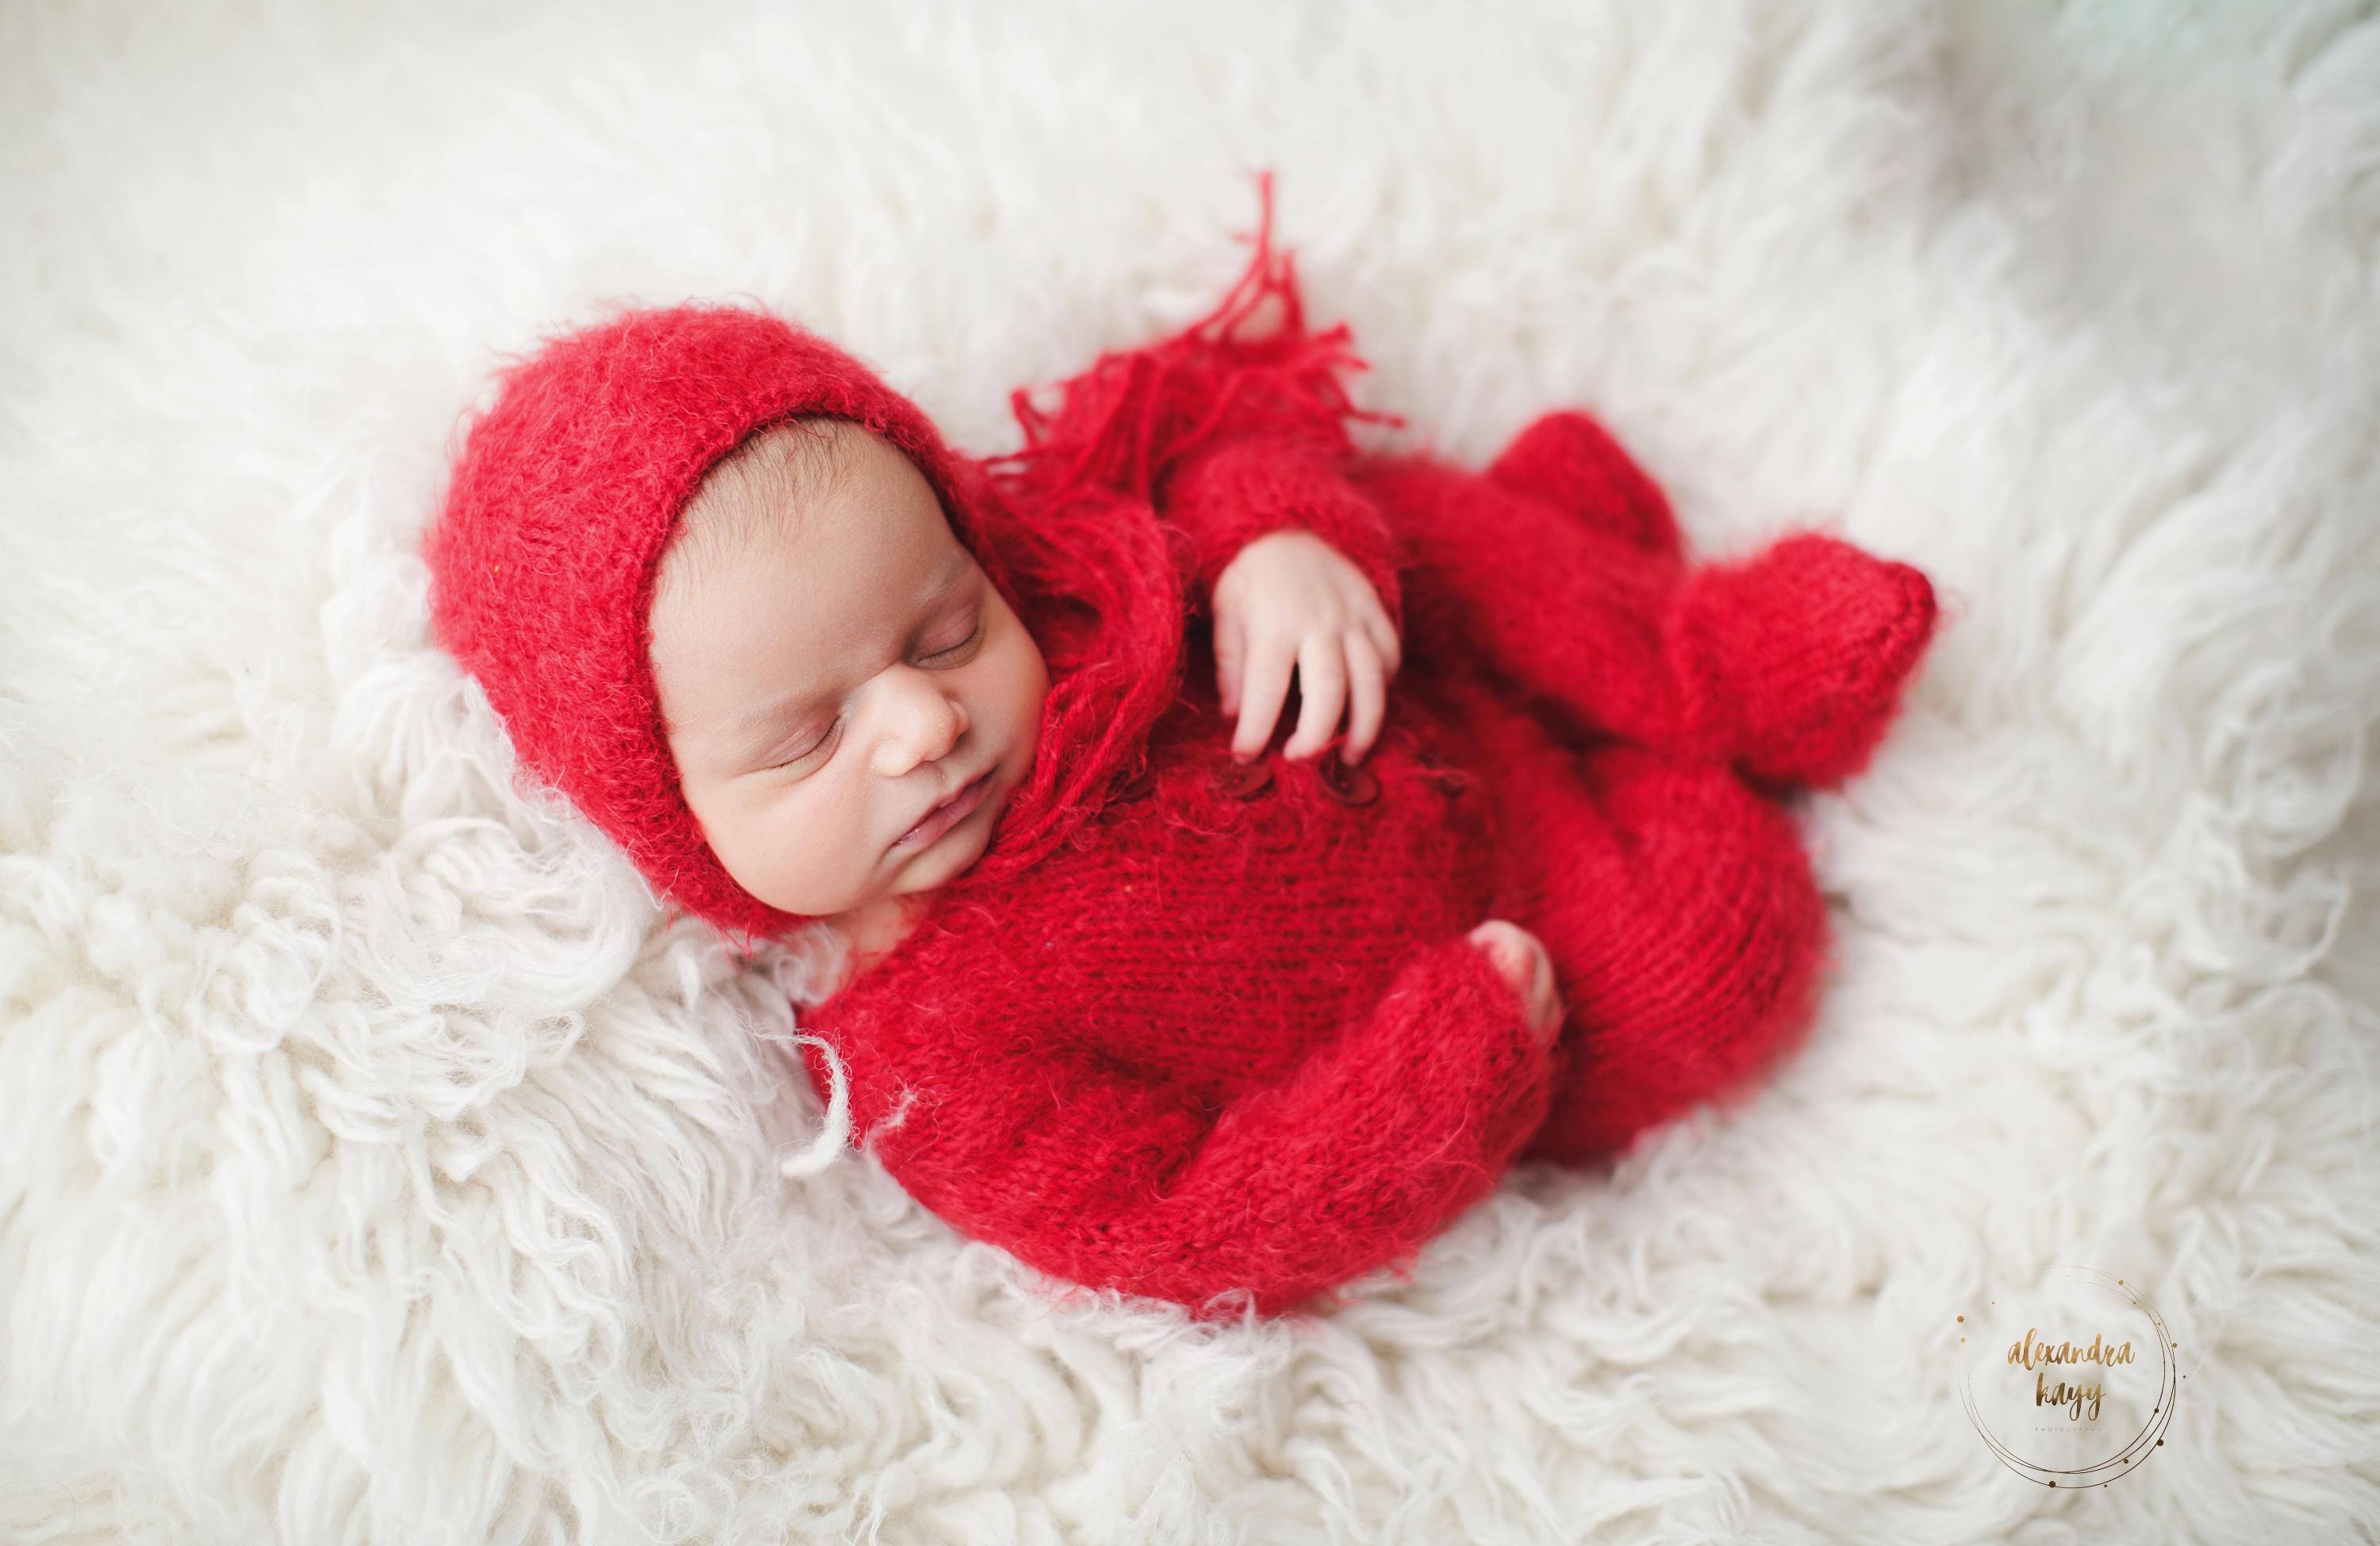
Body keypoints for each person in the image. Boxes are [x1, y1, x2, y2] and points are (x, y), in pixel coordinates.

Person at [427, 236, 1936, 1315]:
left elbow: (1221, 427)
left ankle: (1714, 654)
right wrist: (1443, 1076)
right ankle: (1646, 695)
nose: (922, 727)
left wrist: (1278, 542)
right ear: (668, 823)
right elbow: (1191, 1219)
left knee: (1424, 536)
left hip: (1423, 657)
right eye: (807, 740)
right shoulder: (930, 1066)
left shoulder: (1085, 581)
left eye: (948, 629)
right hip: (1510, 926)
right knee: (1721, 954)